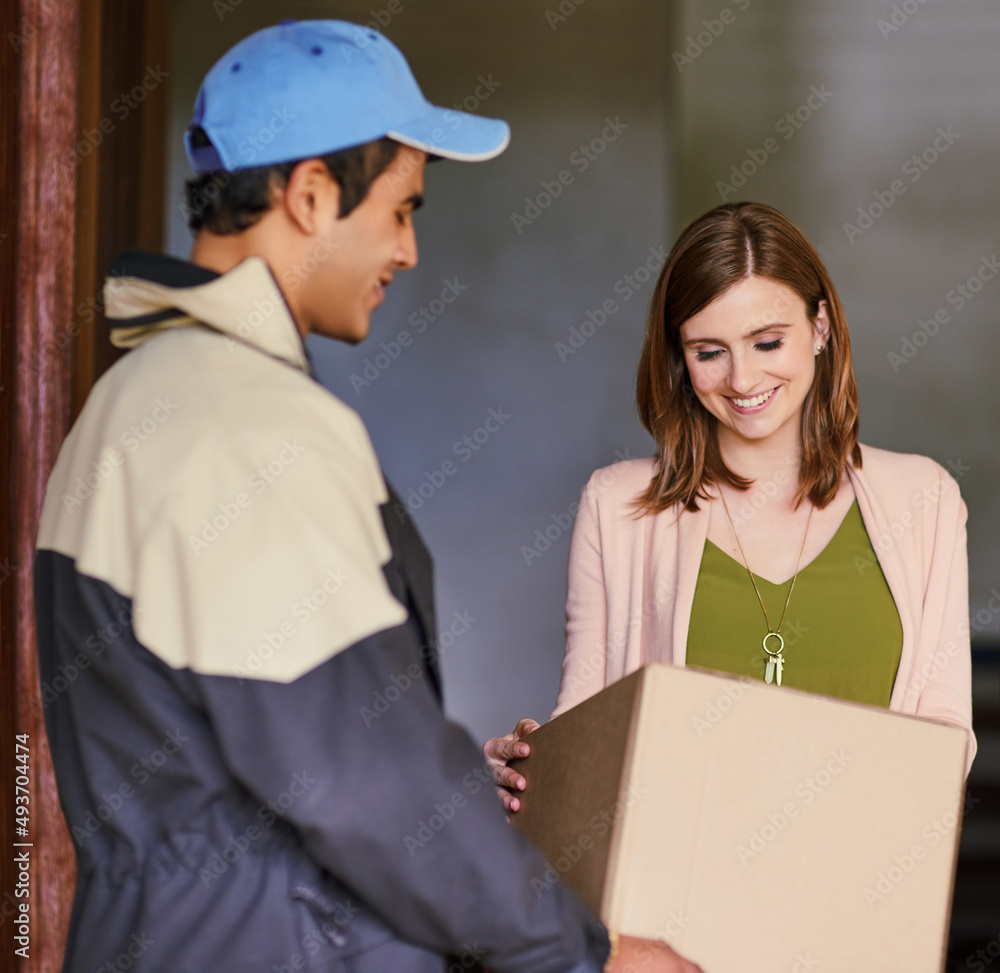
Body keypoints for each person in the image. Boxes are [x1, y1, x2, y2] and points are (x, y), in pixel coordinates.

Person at [34, 19, 702, 973]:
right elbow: (358, 782)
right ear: (309, 195)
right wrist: (585, 956)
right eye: (402, 208)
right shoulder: (245, 425)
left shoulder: (137, 403)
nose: (409, 249)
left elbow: (265, 746)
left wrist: (441, 784)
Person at [487, 201, 976, 814]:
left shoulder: (924, 499)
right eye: (708, 352)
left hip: (860, 889)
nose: (742, 379)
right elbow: (586, 723)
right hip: (670, 899)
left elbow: (946, 734)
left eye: (767, 341)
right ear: (679, 355)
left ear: (821, 327)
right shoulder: (618, 507)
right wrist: (531, 765)